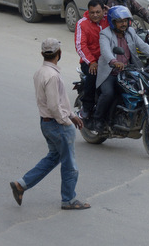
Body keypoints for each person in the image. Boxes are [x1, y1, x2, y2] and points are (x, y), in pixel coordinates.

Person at [9, 38, 89, 211]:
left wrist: (72, 115)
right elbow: (54, 106)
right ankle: (68, 199)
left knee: (53, 158)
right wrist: (66, 121)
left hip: (46, 123)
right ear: (59, 54)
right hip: (56, 125)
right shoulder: (53, 76)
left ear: (42, 54)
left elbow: (58, 102)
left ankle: (21, 185)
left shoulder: (40, 72)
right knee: (69, 165)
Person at [94, 6, 149, 131]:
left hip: (129, 71)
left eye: (125, 21)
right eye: (120, 21)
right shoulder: (105, 34)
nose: (123, 24)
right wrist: (114, 61)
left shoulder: (131, 32)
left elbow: (143, 46)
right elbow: (105, 51)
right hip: (110, 72)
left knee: (143, 90)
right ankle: (98, 120)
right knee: (109, 93)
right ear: (113, 21)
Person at [75, 0, 108, 119]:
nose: (95, 15)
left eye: (98, 12)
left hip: (109, 60)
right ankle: (87, 107)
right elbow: (80, 46)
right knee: (93, 75)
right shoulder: (82, 24)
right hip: (90, 62)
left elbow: (124, 25)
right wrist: (91, 62)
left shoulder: (108, 20)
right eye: (92, 12)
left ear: (103, 10)